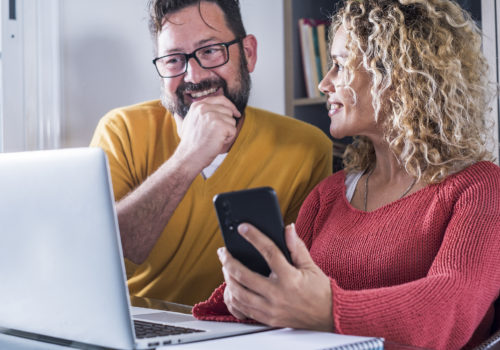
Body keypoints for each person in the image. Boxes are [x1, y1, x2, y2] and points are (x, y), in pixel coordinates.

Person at [192, 0, 500, 349]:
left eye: (339, 65)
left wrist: (326, 309)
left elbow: (450, 306)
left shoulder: (481, 187)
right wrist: (252, 298)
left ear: (397, 73)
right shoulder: (328, 195)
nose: (324, 83)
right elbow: (288, 307)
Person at [89, 0, 332, 306]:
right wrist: (190, 155)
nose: (193, 75)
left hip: (247, 327)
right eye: (174, 59)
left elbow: (302, 276)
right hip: (139, 324)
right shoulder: (121, 130)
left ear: (248, 53)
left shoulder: (308, 147)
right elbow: (102, 254)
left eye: (210, 51)